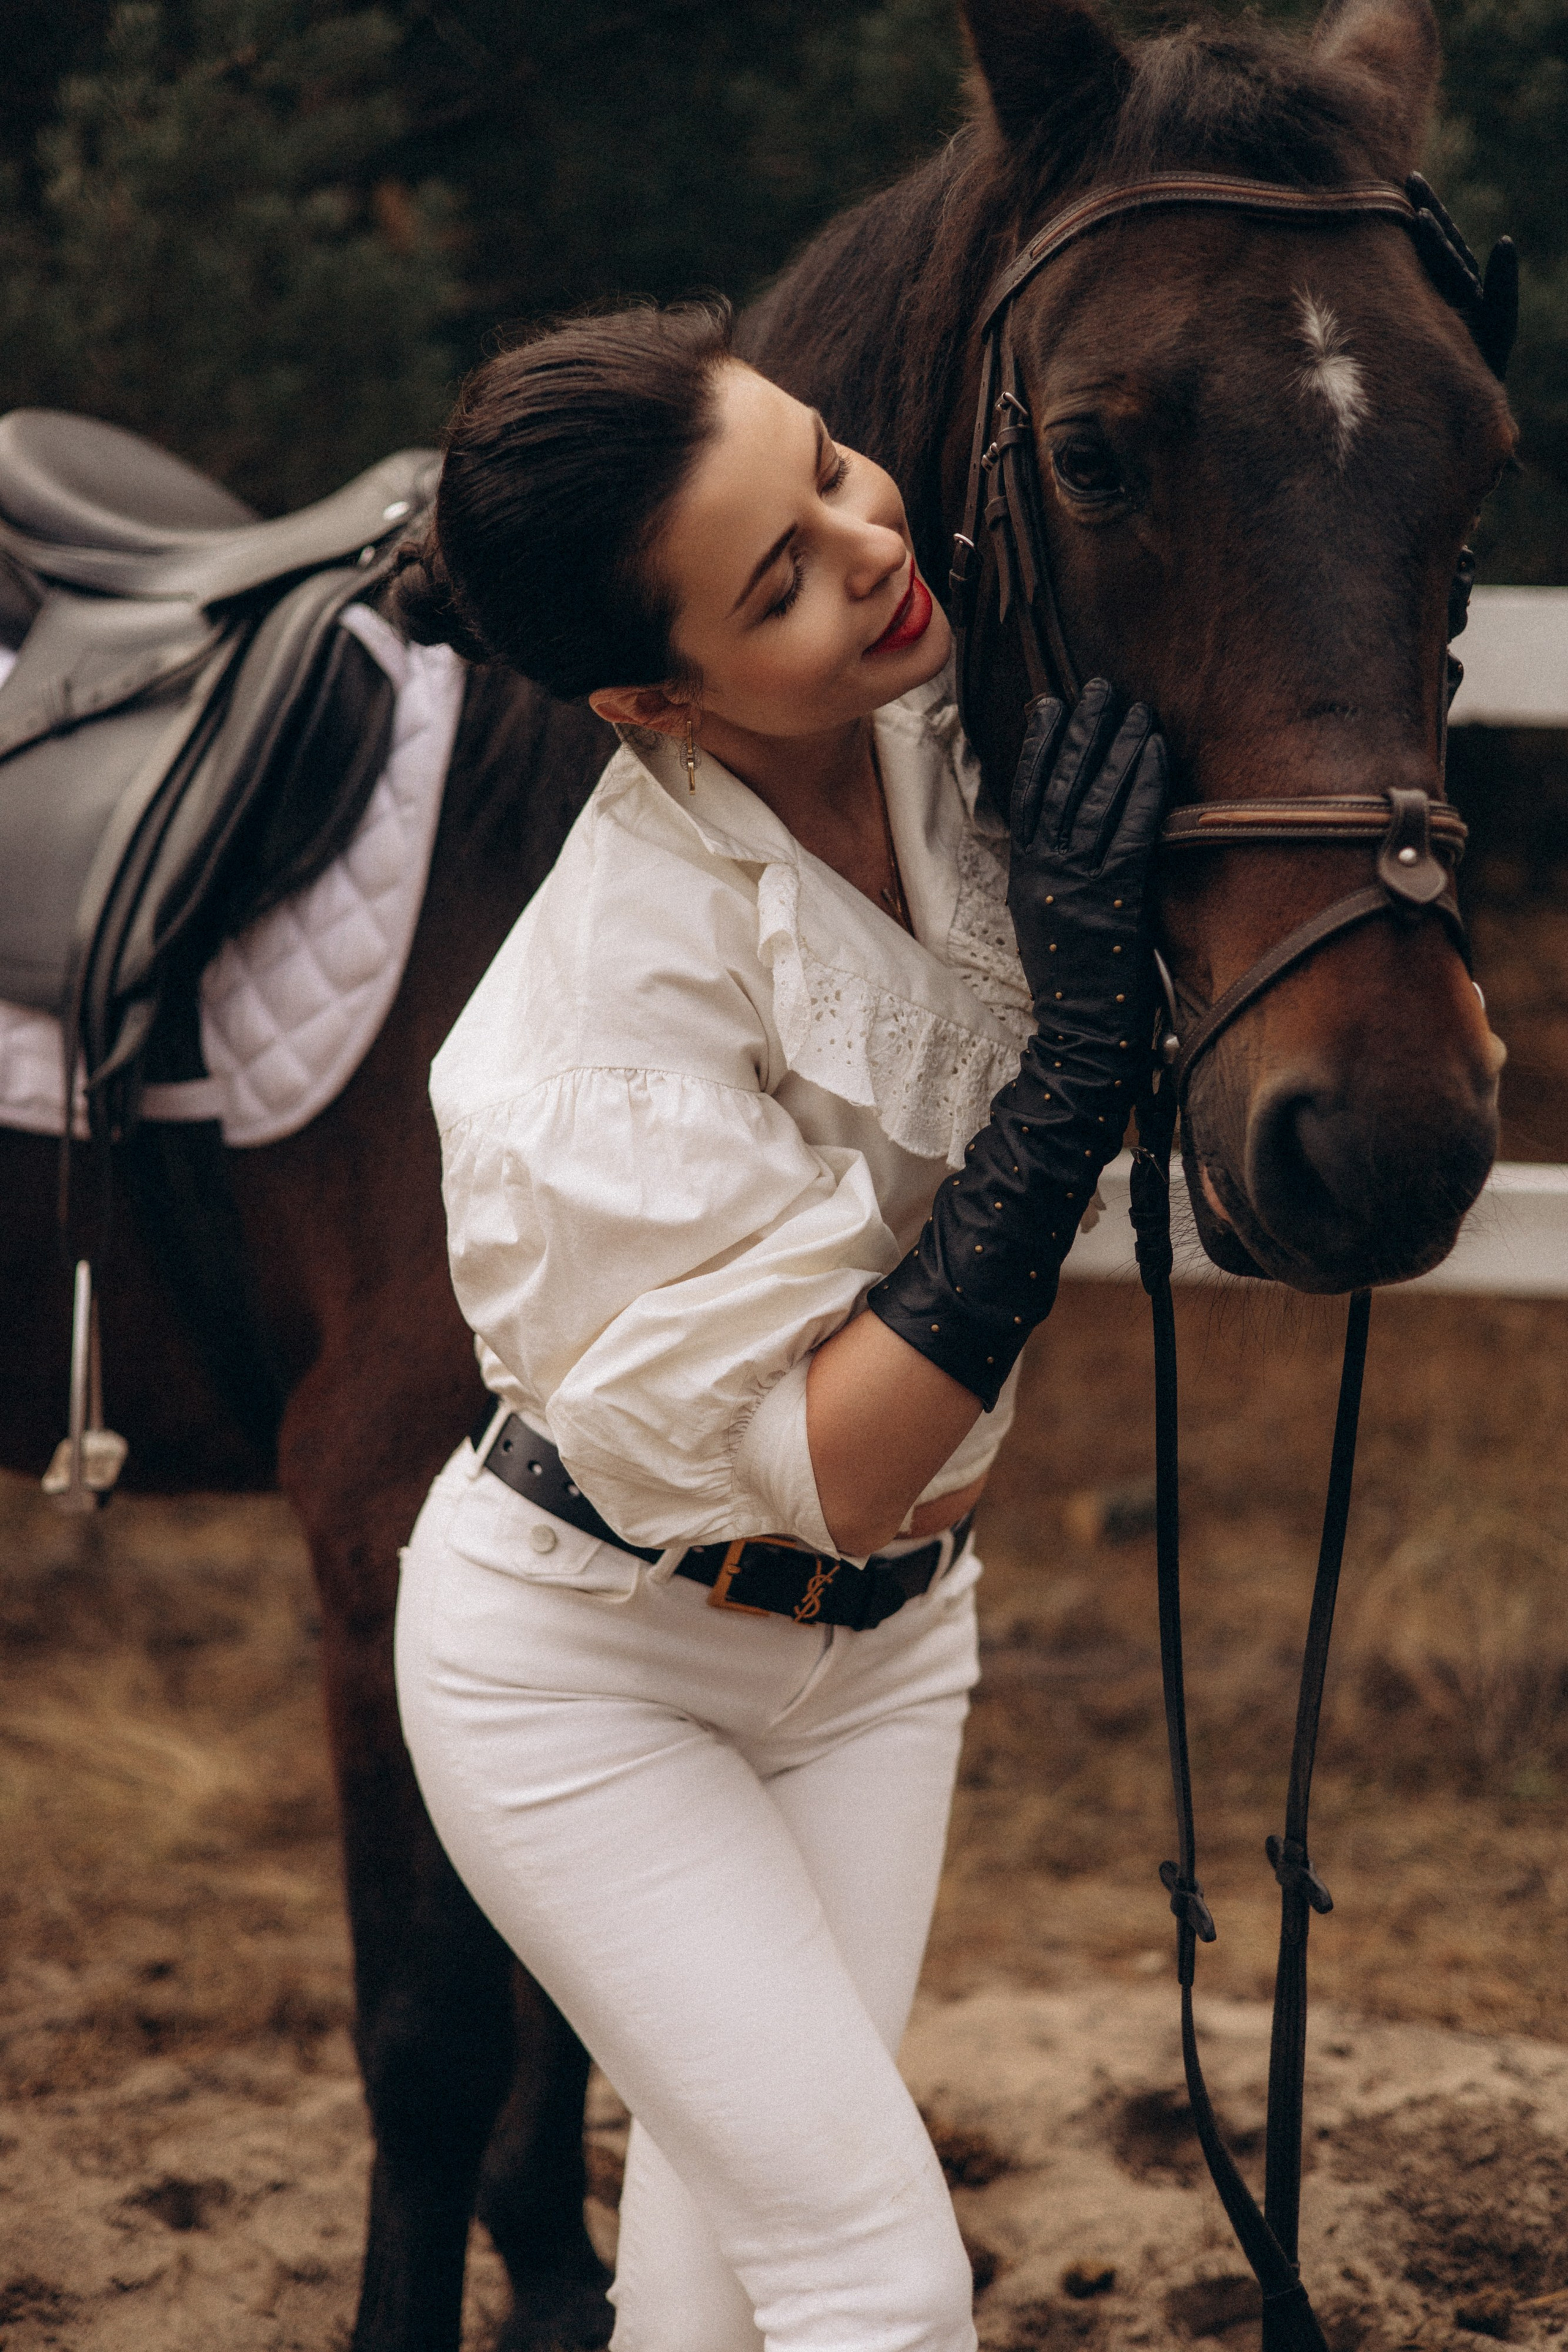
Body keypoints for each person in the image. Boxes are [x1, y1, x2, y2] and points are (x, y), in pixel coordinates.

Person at [391, 298, 1167, 2352]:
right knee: (879, 2277)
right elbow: (838, 1460)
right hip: (588, 1672)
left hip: (892, 1648)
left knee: (717, 2292)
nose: (864, 546)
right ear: (656, 693)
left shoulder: (940, 715)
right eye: (781, 580)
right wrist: (1079, 1060)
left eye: (827, 464)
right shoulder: (600, 1022)